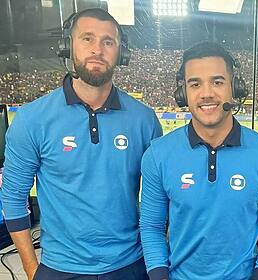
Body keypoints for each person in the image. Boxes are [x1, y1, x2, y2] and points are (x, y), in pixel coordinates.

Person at [0, 8, 162, 280]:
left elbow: (162, 197)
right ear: (67, 46)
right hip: (59, 268)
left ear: (121, 53)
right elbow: (13, 197)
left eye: (108, 41)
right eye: (87, 38)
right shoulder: (32, 119)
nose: (97, 49)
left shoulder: (144, 120)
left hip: (131, 265)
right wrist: (31, 270)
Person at [139, 41, 258, 280]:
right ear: (183, 93)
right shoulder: (157, 155)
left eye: (217, 82)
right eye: (195, 83)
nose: (206, 93)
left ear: (235, 88)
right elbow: (152, 227)